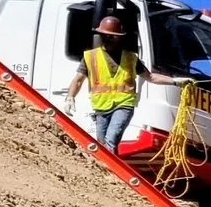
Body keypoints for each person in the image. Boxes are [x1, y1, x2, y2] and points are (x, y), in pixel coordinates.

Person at [63, 16, 175, 153]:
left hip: (124, 104)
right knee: (101, 144)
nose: (109, 39)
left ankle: (109, 169)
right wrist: (70, 97)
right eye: (106, 36)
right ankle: (109, 171)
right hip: (101, 106)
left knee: (111, 139)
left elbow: (150, 77)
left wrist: (175, 81)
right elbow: (78, 79)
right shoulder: (91, 57)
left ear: (120, 37)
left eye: (113, 36)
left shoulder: (131, 58)